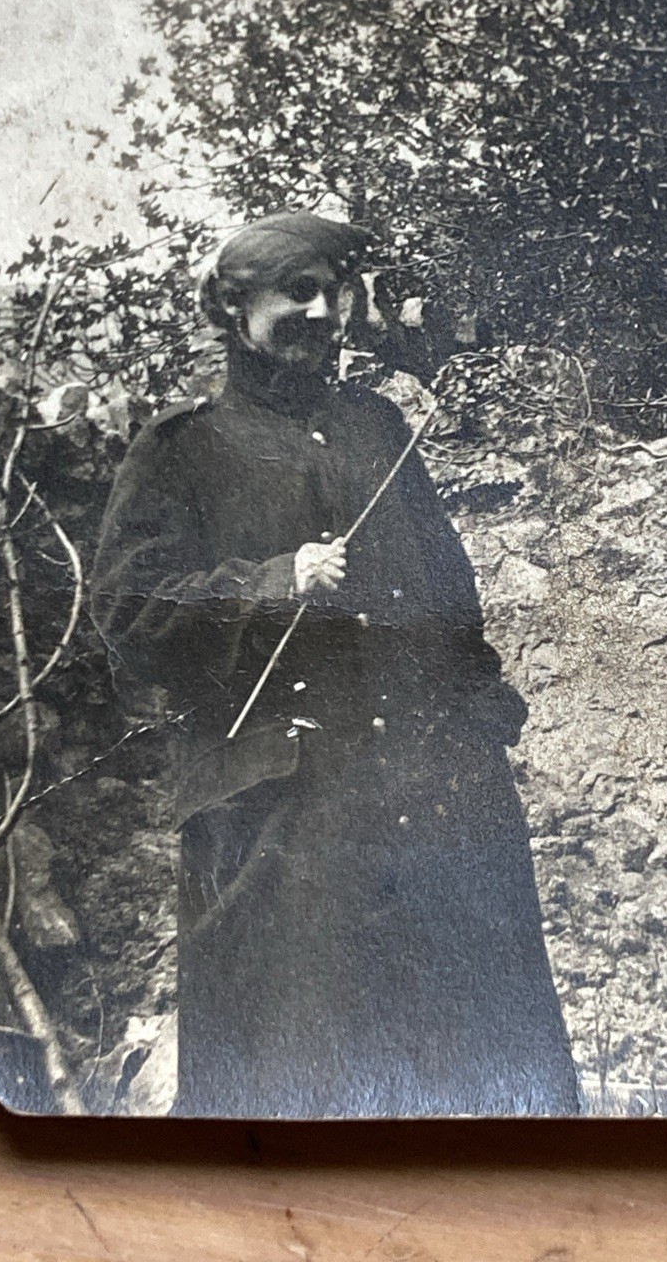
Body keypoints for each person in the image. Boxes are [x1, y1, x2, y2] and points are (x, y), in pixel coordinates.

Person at [91, 210, 579, 1117]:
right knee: (302, 1069)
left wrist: (478, 717)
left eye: (333, 290)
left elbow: (446, 589)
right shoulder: (182, 448)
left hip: (431, 789)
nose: (322, 311)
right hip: (282, 816)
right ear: (234, 310)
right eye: (296, 292)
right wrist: (270, 582)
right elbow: (124, 610)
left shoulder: (378, 426)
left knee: (476, 1053)